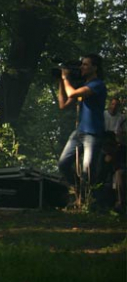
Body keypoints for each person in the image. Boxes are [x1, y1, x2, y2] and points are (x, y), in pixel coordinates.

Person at [56, 54, 107, 194]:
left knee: (87, 170)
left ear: (95, 68)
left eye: (85, 64)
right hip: (79, 132)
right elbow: (63, 105)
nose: (81, 67)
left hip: (93, 134)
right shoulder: (83, 86)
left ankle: (88, 198)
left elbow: (72, 94)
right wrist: (61, 81)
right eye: (81, 64)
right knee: (63, 164)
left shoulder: (97, 84)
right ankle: (80, 190)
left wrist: (65, 78)